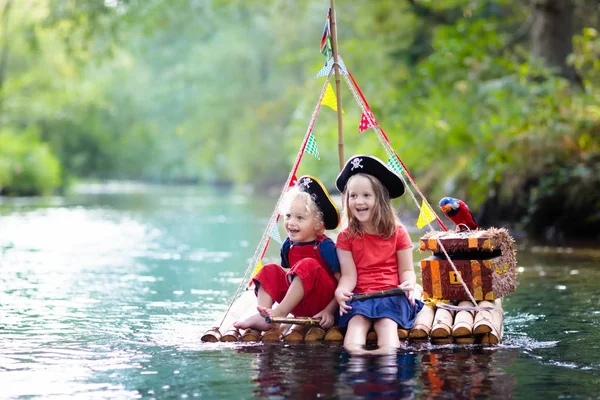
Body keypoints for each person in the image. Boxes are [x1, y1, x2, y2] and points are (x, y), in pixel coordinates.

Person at [334, 155, 424, 354]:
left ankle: (387, 359)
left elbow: (407, 270)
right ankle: (356, 361)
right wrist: (341, 291)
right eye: (353, 195)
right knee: (356, 324)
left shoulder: (398, 232)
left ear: (380, 199)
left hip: (392, 294)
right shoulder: (345, 237)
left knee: (387, 324)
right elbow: (349, 276)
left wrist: (409, 282)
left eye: (367, 195)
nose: (359, 201)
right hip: (360, 297)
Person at [234, 175, 341, 332]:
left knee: (307, 265)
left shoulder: (326, 247)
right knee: (269, 269)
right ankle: (264, 315)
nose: (291, 222)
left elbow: (342, 284)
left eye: (300, 218)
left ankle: (278, 314)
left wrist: (330, 311)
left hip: (323, 306)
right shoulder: (287, 246)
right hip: (301, 306)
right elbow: (289, 278)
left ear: (318, 224)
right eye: (288, 216)